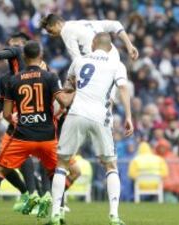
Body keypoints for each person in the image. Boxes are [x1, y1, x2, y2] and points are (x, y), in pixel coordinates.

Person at [0, 41, 74, 225]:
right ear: (41, 55)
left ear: (23, 57)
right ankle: (58, 216)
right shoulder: (50, 77)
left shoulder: (13, 80)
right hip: (47, 137)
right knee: (57, 174)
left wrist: (16, 120)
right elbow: (63, 103)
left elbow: (7, 114)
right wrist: (74, 91)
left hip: (22, 136)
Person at [49, 33, 134, 225]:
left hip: (76, 113)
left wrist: (60, 108)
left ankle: (55, 214)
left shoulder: (79, 60)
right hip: (100, 118)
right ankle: (114, 215)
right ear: (109, 46)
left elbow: (68, 87)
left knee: (61, 165)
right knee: (110, 166)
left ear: (94, 44)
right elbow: (123, 89)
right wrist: (128, 116)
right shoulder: (116, 64)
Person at [40, 13, 138, 60]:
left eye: (50, 30)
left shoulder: (65, 30)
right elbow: (116, 24)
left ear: (58, 24)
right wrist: (129, 46)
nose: (50, 34)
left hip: (99, 62)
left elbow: (76, 59)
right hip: (114, 57)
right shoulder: (83, 22)